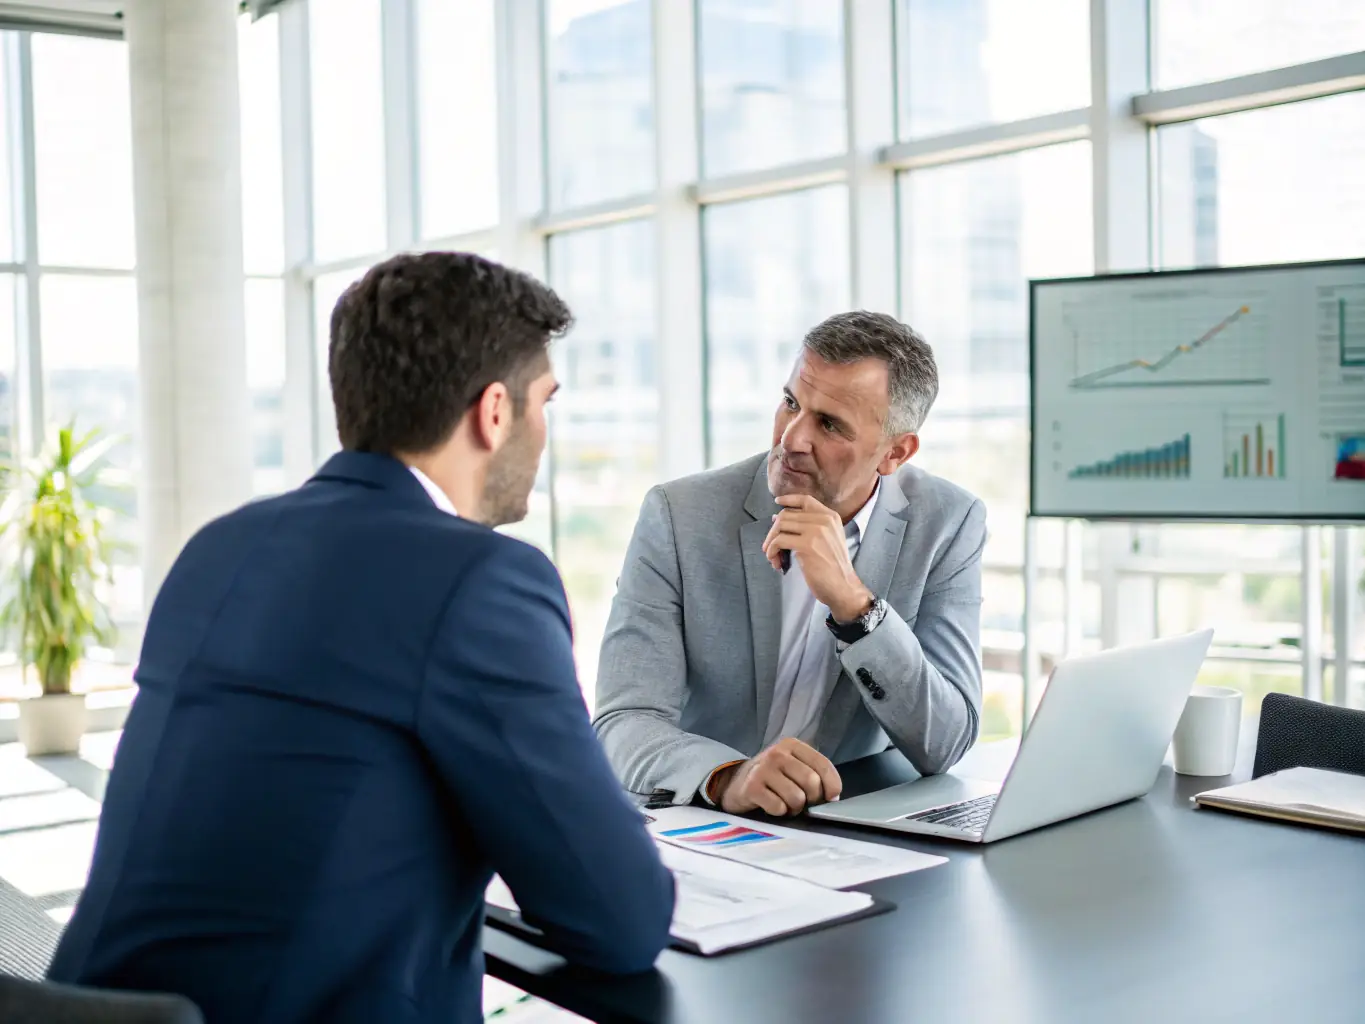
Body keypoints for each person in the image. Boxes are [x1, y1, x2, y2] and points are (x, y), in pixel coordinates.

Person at [47, 253, 675, 1023]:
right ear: (494, 413)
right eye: (545, 401)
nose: (546, 432)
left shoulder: (221, 545)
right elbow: (622, 920)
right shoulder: (479, 581)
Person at [594, 311, 985, 816]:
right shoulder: (679, 516)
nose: (792, 439)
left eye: (829, 424)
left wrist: (855, 607)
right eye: (791, 403)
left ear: (895, 453)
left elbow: (946, 743)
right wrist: (729, 777)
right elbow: (623, 720)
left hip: (846, 825)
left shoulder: (948, 522)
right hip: (698, 819)